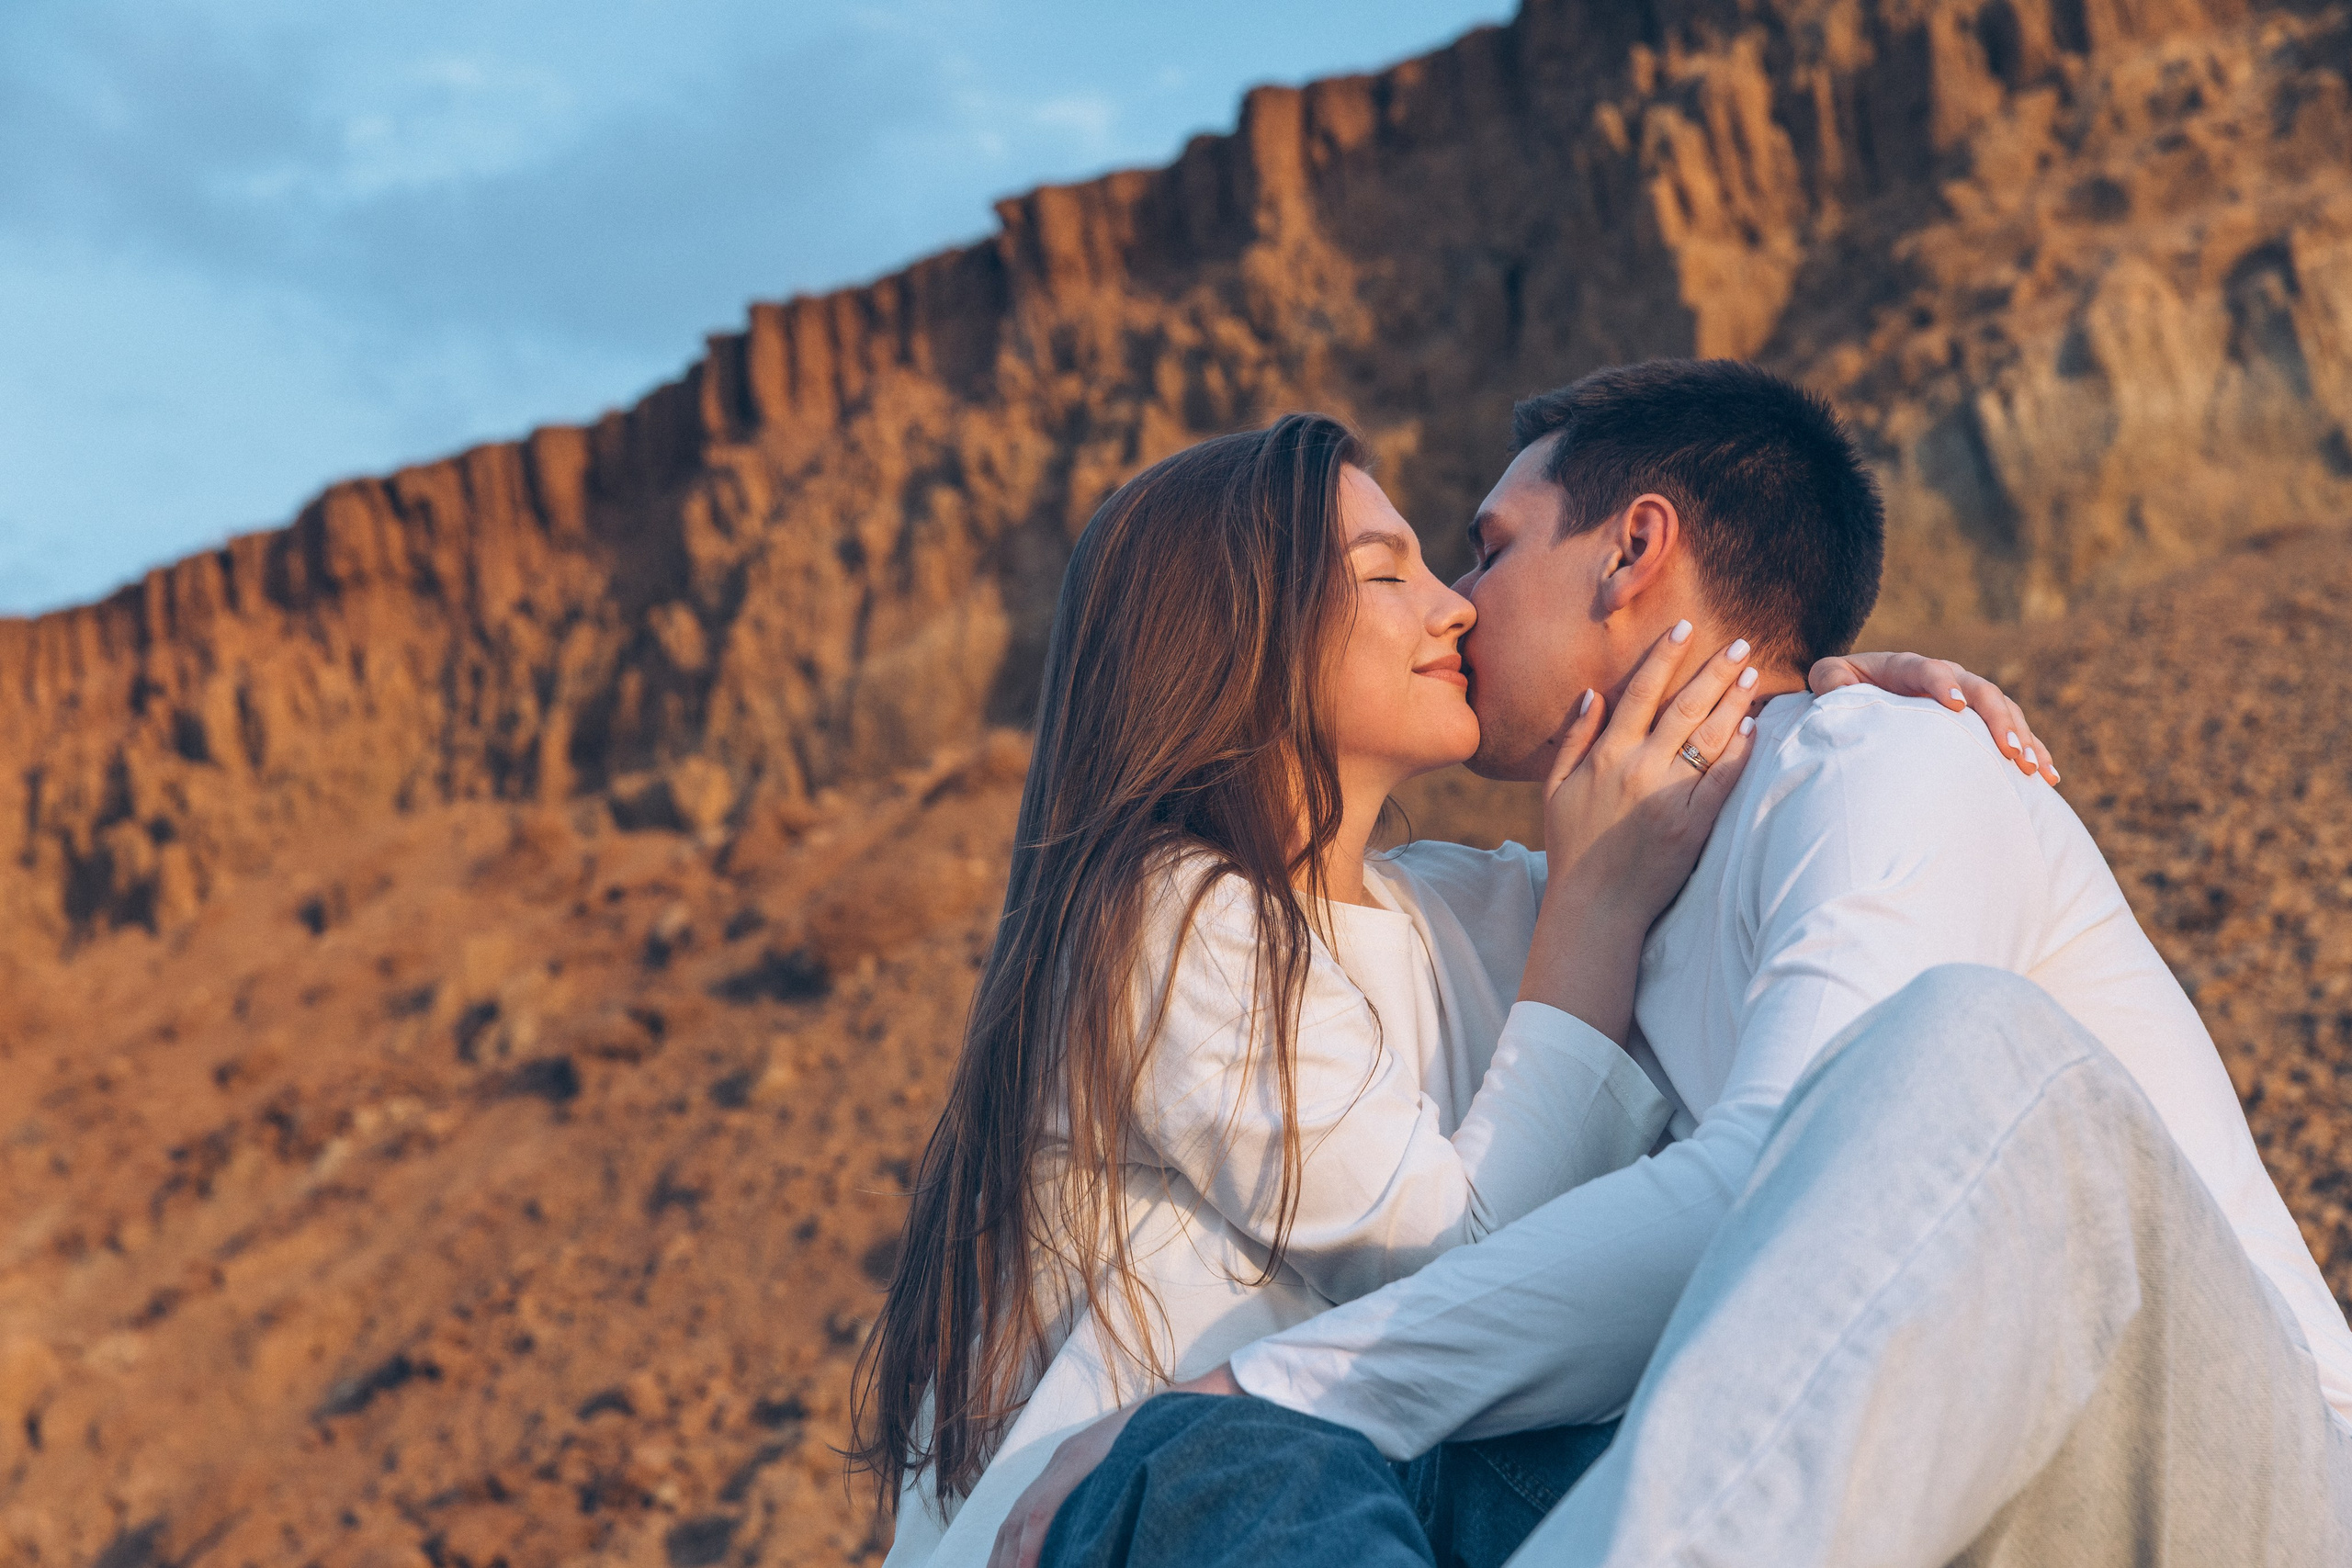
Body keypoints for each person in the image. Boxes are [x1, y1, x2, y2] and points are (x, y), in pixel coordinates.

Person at [991, 361, 2352, 1568]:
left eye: (1484, 549)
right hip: (1927, 1483)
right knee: (1280, 1468)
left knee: (1955, 1049)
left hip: (2213, 1473)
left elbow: (1791, 1192)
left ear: (1633, 549)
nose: (1461, 609)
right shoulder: (1566, 912)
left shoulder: (1878, 763)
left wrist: (1277, 1385)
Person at [849, 409, 2045, 1567]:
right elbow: (1452, 1268)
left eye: (1452, 563)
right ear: (1235, 633)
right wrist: (1592, 906)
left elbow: (1684, 835)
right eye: (1388, 576)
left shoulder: (1475, 907)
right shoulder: (1163, 917)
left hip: (1375, 1504)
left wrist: (1823, 694)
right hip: (1139, 1519)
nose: (1452, 606)